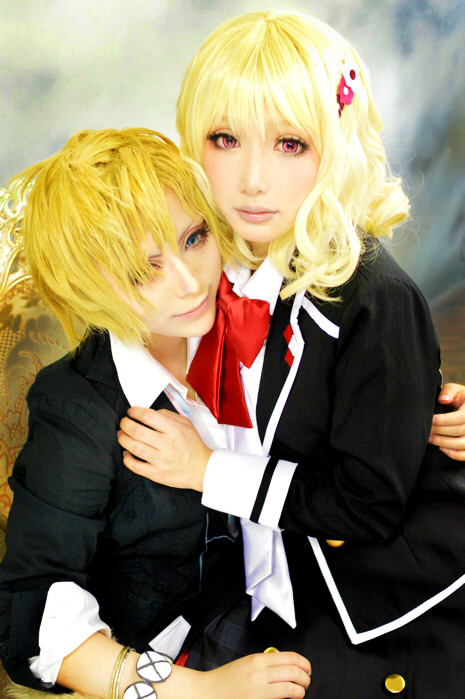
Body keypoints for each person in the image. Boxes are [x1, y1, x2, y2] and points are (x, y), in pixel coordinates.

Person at [117, 12, 465, 697]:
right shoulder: (196, 274)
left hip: (381, 606)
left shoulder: (377, 298)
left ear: (336, 148)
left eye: (289, 144)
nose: (252, 179)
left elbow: (367, 506)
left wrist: (207, 470)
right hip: (250, 582)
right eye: (225, 139)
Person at [0, 128, 311, 699]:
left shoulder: (259, 316)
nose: (191, 282)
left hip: (306, 598)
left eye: (194, 237)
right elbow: (41, 623)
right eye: (144, 270)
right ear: (87, 284)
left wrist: (429, 412)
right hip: (176, 663)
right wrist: (203, 691)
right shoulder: (76, 404)